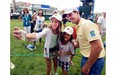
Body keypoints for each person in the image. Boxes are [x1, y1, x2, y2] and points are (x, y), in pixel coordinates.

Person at [64, 7, 105, 75]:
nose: (69, 17)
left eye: (70, 14)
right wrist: (72, 42)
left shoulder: (86, 24)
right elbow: (79, 44)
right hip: (86, 58)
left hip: (94, 61)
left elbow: (98, 47)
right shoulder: (78, 26)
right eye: (67, 16)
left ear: (77, 13)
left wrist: (87, 66)